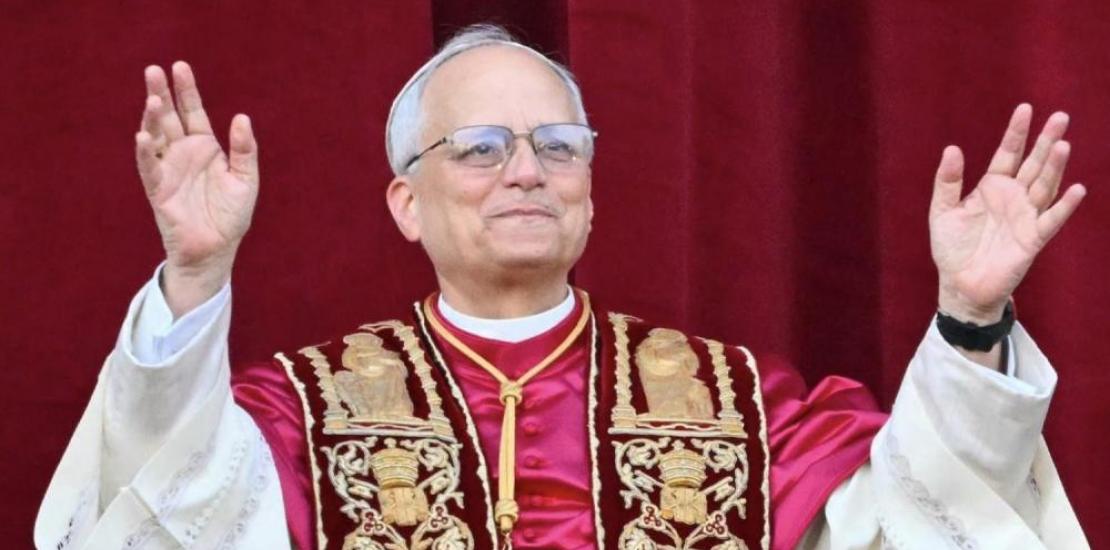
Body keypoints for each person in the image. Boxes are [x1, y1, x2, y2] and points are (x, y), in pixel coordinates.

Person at [35, 25, 1089, 549]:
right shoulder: (298, 415)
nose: (528, 169)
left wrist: (972, 316)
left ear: (591, 189)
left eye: (558, 143)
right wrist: (196, 272)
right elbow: (168, 508)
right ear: (405, 203)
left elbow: (914, 516)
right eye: (481, 147)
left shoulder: (744, 406)